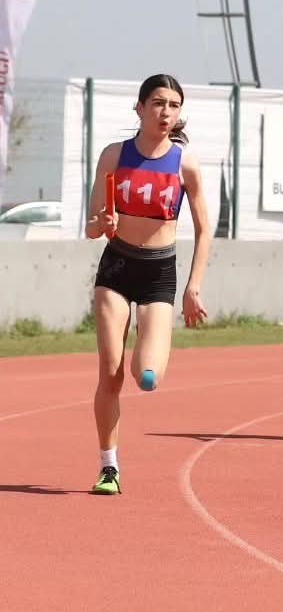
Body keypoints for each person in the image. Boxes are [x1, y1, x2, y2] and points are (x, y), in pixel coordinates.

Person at [84, 74, 211, 495]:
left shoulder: (185, 163)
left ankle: (145, 338)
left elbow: (205, 230)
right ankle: (109, 467)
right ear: (139, 108)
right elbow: (91, 227)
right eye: (158, 103)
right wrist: (102, 222)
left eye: (173, 105)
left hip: (159, 272)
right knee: (111, 372)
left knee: (148, 377)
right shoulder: (114, 155)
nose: (165, 112)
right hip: (117, 267)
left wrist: (193, 287)